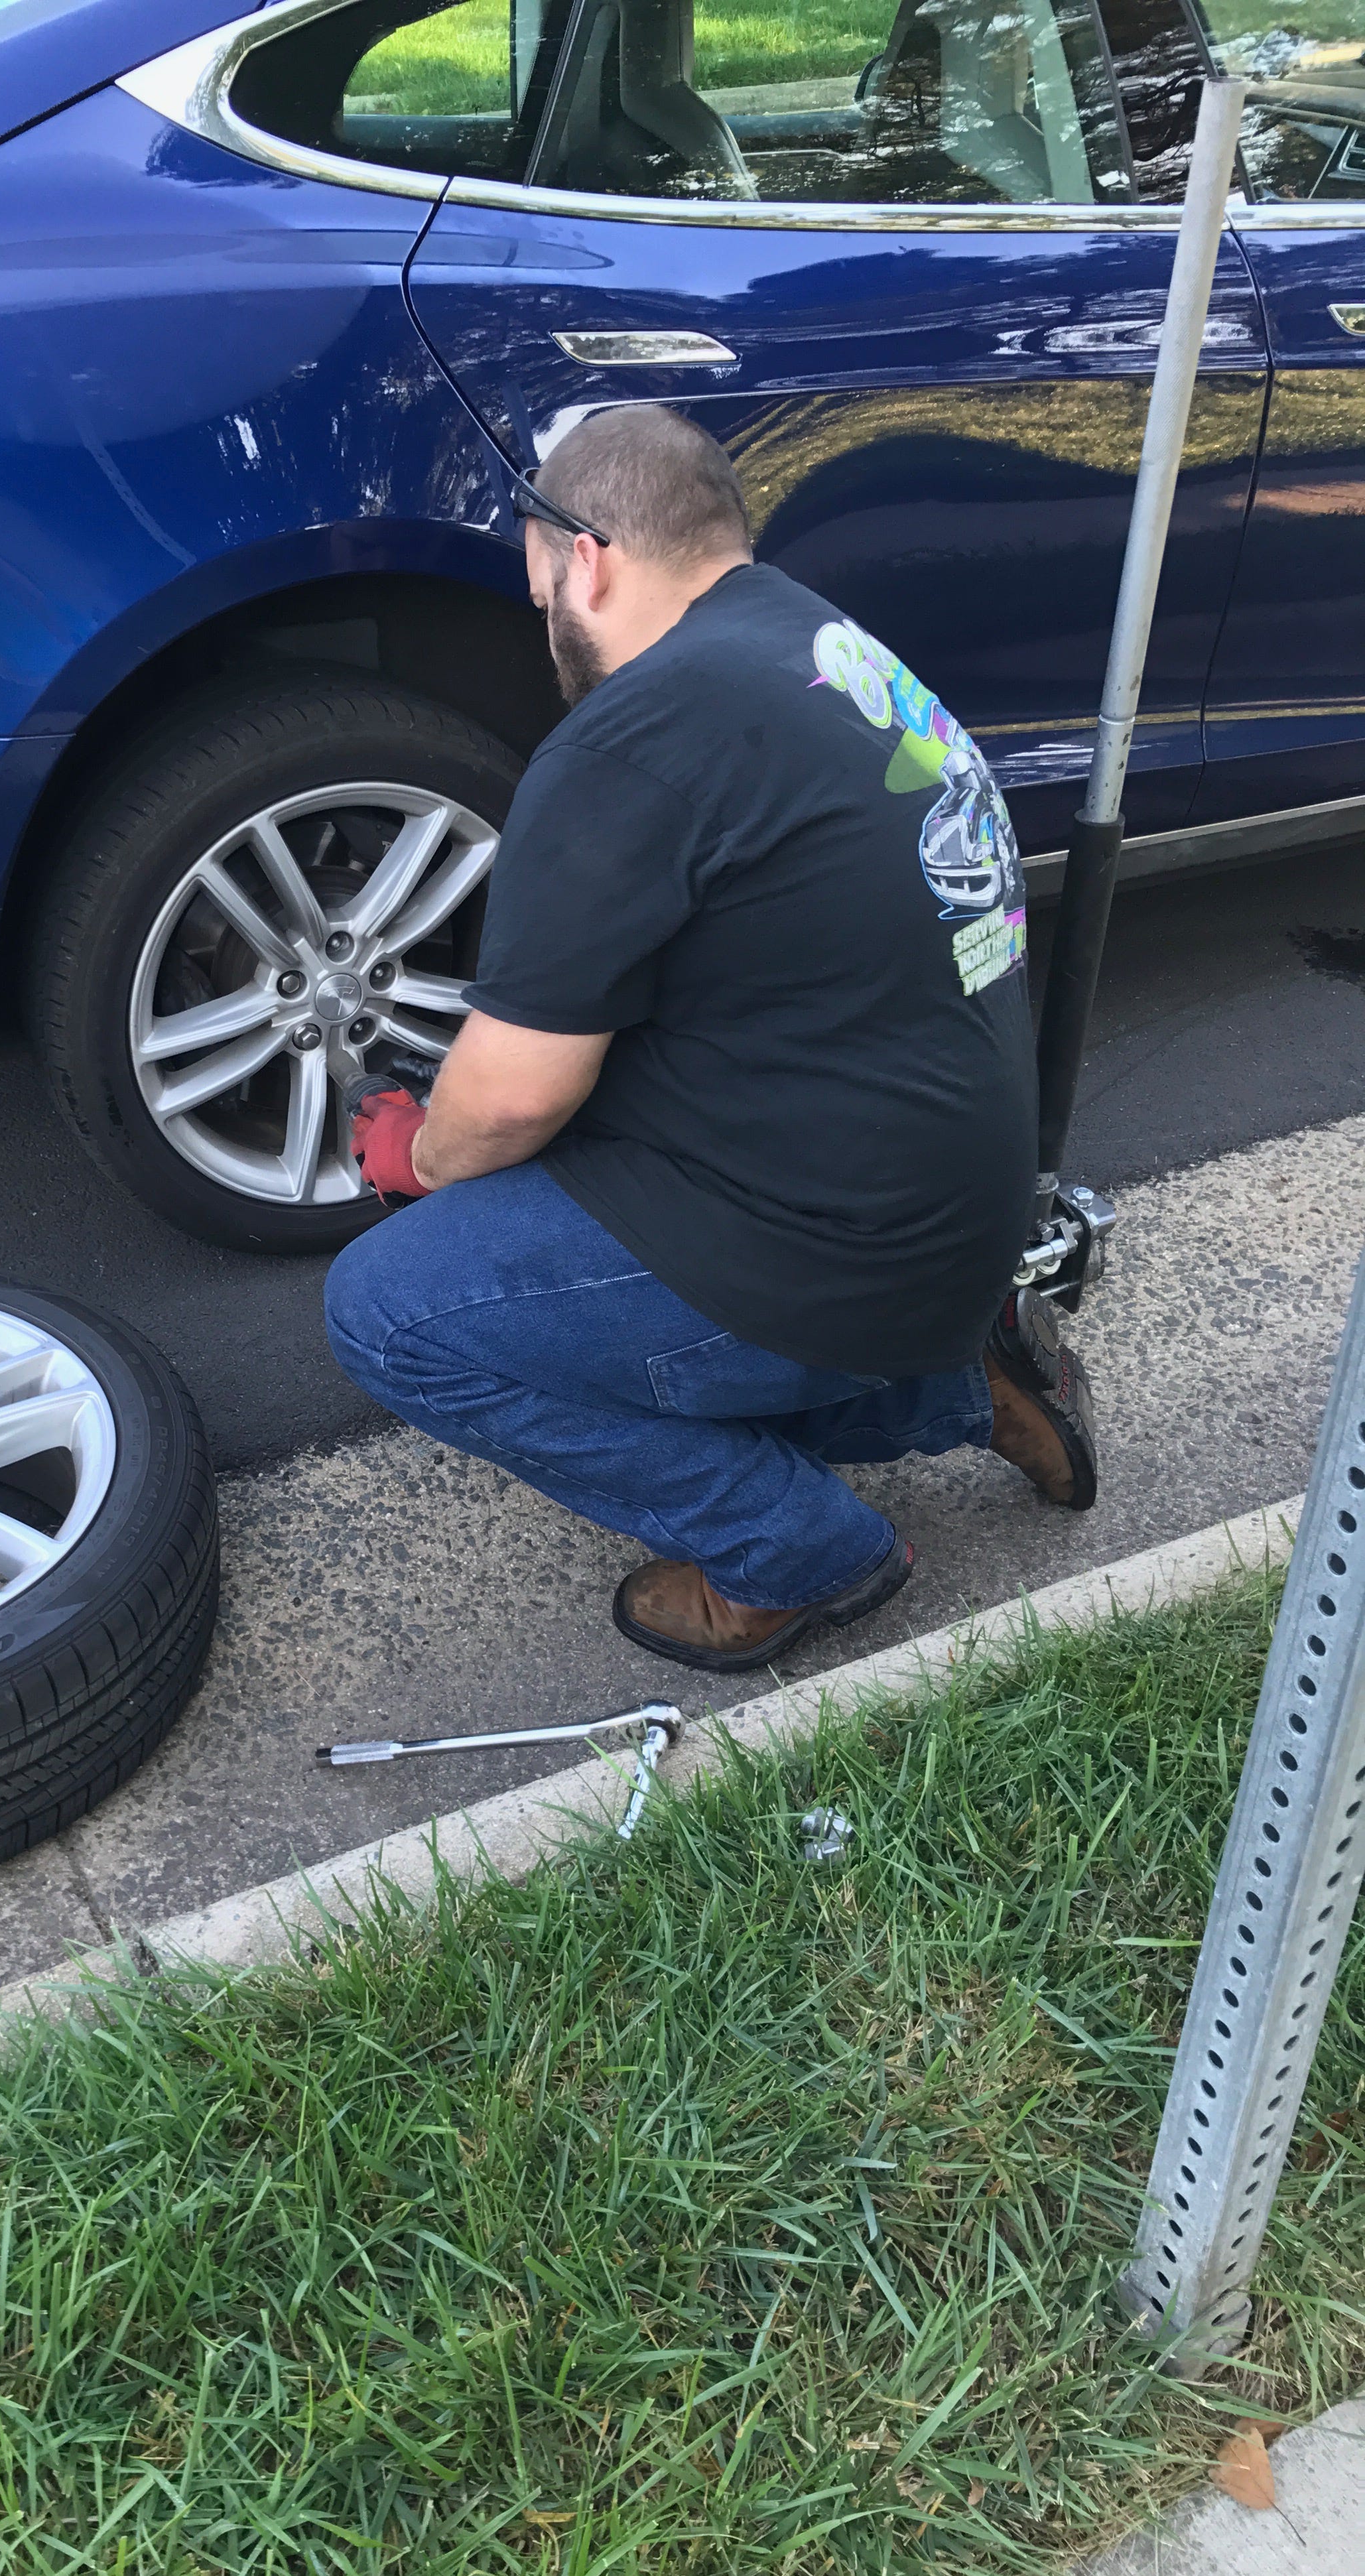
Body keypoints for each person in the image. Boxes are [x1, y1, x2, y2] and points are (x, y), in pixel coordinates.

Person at [323, 404, 1096, 1675]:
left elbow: (510, 1105)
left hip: (833, 1243)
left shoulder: (632, 738)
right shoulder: (824, 645)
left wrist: (424, 1155)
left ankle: (799, 1554)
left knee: (391, 1312)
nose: (549, 633)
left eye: (540, 600)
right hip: (946, 1215)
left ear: (589, 558)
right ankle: (969, 1381)